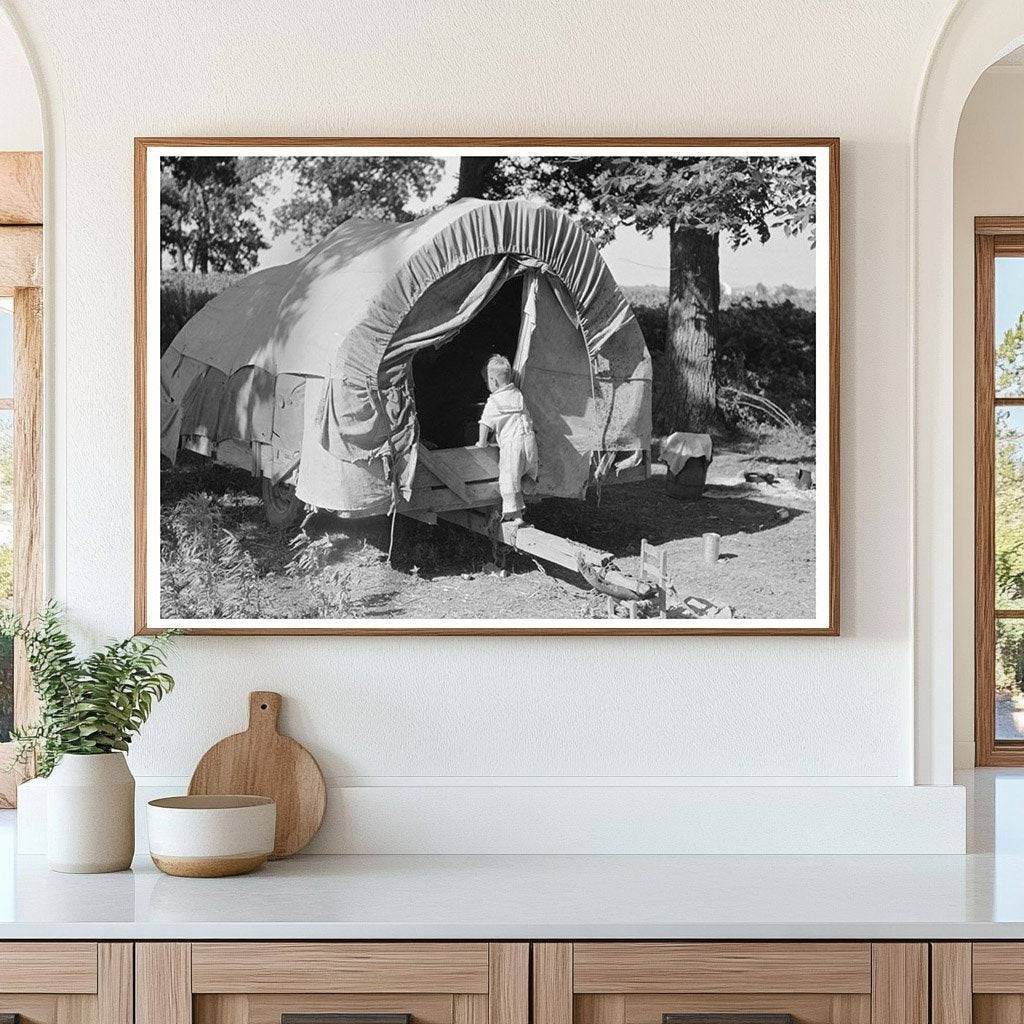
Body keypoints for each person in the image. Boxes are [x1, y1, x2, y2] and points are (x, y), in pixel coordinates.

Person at [476, 354, 539, 525]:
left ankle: (517, 515)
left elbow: (485, 423)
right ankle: (529, 482)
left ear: (493, 381)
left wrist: (482, 442)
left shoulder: (494, 401)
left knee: (508, 478)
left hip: (513, 445)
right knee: (526, 468)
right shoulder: (518, 394)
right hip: (529, 441)